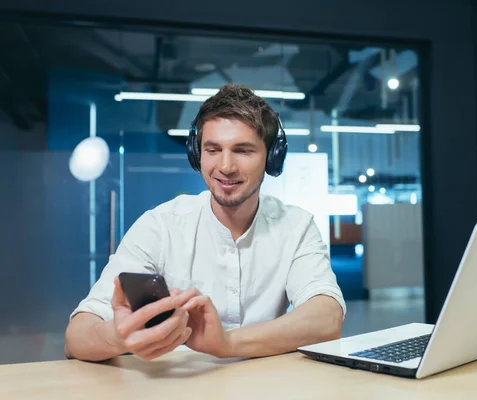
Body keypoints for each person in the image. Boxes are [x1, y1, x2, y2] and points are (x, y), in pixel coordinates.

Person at [64, 84, 346, 362]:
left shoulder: (296, 226)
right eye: (212, 150)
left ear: (271, 158)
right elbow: (76, 337)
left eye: (243, 150)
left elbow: (326, 317)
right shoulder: (160, 225)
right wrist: (118, 335)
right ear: (197, 154)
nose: (225, 167)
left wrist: (226, 343)